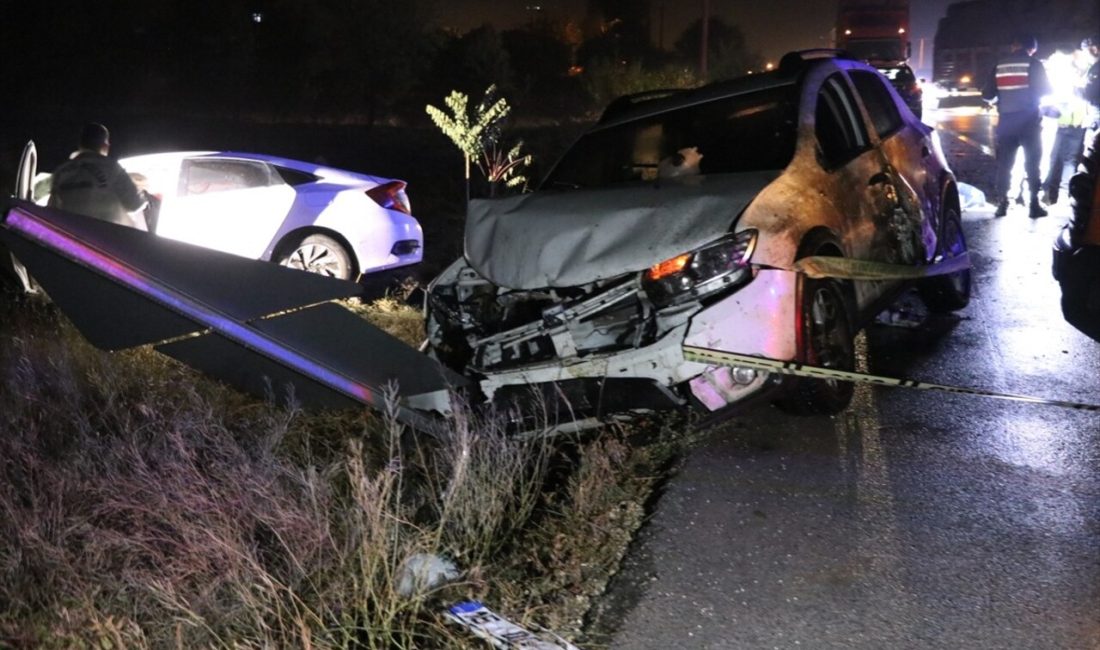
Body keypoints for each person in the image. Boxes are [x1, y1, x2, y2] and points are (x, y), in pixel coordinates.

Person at [982, 33, 1053, 218]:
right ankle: (1033, 205)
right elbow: (1046, 90)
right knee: (1032, 162)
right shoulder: (1034, 64)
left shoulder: (999, 65)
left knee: (1005, 163)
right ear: (1031, 49)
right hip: (1029, 122)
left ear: (1014, 46)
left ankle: (1002, 204)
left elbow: (987, 95)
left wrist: (1003, 98)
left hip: (1006, 121)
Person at [47, 122, 146, 226]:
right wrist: (143, 192)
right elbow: (135, 204)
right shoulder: (112, 168)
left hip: (69, 236)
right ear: (105, 145)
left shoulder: (61, 172)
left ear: (80, 144)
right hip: (103, 237)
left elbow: (52, 210)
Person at [1042, 38, 1099, 205]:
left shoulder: (1079, 69)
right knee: (1062, 159)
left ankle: (1055, 193)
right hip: (1063, 121)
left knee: (1061, 159)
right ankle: (1056, 193)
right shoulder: (1078, 69)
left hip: (1069, 121)